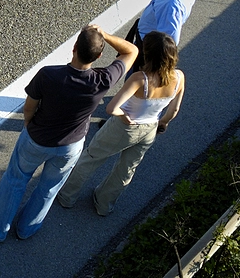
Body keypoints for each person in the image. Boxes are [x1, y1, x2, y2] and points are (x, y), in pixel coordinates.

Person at [0, 25, 138, 242]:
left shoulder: (49, 75)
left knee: (15, 180)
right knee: (49, 187)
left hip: (37, 139)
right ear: (100, 55)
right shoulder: (103, 79)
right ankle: (27, 229)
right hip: (71, 146)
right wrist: (103, 35)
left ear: (74, 48)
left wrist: (29, 125)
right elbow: (131, 51)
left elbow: (29, 106)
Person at [56, 31, 185, 216]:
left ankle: (66, 196)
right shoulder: (179, 77)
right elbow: (174, 110)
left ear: (147, 53)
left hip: (125, 127)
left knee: (92, 157)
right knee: (126, 169)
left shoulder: (140, 79)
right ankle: (103, 204)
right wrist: (161, 123)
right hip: (149, 129)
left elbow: (112, 108)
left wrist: (124, 117)